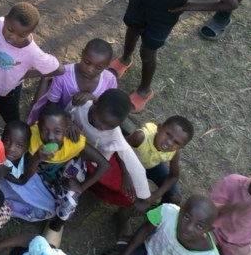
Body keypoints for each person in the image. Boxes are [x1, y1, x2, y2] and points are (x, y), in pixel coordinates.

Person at [24, 102, 109, 246]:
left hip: (67, 172)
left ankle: (57, 225)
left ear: (66, 129)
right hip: (44, 171)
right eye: (44, 131)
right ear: (38, 128)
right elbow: (26, 174)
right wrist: (38, 157)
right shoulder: (33, 139)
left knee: (70, 200)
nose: (50, 137)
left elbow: (104, 165)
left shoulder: (73, 142)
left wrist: (82, 187)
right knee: (28, 190)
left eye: (57, 131)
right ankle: (52, 202)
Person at [66, 92, 150, 237]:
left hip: (98, 162)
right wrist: (68, 122)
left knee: (126, 191)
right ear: (95, 104)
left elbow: (134, 164)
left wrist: (145, 197)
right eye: (101, 120)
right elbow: (65, 113)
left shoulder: (115, 134)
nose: (103, 127)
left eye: (110, 126)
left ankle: (123, 213)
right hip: (74, 152)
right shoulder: (81, 106)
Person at [0, 2, 61, 123]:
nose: (13, 37)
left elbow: (58, 69)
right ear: (5, 20)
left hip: (8, 92)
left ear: (30, 32)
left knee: (13, 122)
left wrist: (26, 74)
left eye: (21, 35)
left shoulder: (32, 52)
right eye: (10, 29)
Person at [117, 116, 194, 235]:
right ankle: (122, 216)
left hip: (149, 165)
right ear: (159, 127)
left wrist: (153, 196)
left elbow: (174, 176)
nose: (169, 142)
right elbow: (119, 148)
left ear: (180, 147)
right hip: (129, 164)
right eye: (168, 134)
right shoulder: (141, 137)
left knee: (174, 197)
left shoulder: (174, 153)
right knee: (135, 194)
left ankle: (153, 218)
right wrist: (126, 175)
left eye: (176, 143)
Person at [26, 39, 116, 125]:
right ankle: (46, 79)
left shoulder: (110, 80)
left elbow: (110, 107)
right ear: (82, 53)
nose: (90, 69)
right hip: (61, 115)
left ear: (107, 66)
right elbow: (51, 105)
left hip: (89, 120)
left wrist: (93, 98)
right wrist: (67, 122)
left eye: (98, 67)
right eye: (87, 62)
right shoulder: (63, 75)